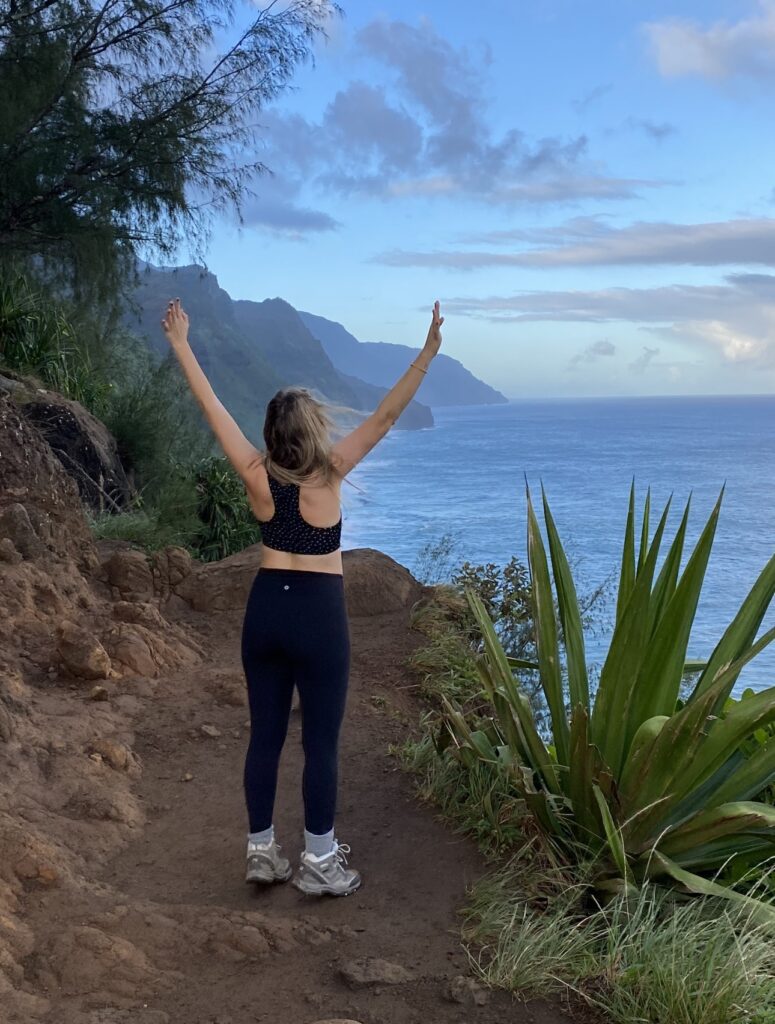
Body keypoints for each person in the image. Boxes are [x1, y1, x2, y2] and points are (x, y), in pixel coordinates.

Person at [161, 297, 443, 896]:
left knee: (265, 734)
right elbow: (387, 417)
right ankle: (320, 861)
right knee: (320, 741)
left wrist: (182, 344)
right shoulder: (332, 472)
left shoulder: (255, 474)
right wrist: (425, 355)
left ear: (270, 434)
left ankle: (262, 852)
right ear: (312, 433)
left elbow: (213, 412)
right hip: (317, 615)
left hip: (265, 608)